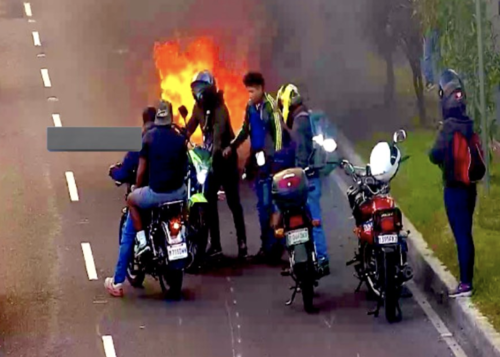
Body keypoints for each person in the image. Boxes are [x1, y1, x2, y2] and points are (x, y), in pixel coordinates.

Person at [104, 100, 188, 297]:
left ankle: (135, 252)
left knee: (132, 201)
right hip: (178, 193)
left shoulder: (148, 139)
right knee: (185, 205)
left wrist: (137, 187)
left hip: (156, 193)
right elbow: (185, 169)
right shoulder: (179, 139)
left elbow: (140, 172)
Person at [223, 71, 294, 263]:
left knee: (274, 205)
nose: (249, 95)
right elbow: (245, 129)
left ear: (261, 89)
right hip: (260, 163)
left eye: (252, 91)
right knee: (263, 206)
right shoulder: (250, 107)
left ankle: (278, 246)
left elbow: (278, 132)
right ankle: (266, 247)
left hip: (275, 163)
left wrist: (278, 159)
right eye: (247, 92)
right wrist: (232, 145)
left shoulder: (270, 106)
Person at [429, 69, 486, 298]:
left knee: (461, 234)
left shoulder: (448, 127)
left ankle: (465, 283)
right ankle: (467, 278)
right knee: (467, 232)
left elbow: (434, 155)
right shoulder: (468, 123)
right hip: (470, 187)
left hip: (454, 188)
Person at [185, 70, 248, 260]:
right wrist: (179, 137)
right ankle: (216, 245)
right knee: (209, 203)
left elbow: (219, 138)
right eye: (195, 89)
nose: (198, 93)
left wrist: (213, 158)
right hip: (208, 162)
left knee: (233, 203)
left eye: (201, 89)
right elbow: (189, 128)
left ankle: (242, 243)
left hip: (225, 161)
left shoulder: (221, 109)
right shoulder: (198, 108)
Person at [276, 83, 330, 277]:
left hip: (304, 178)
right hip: (314, 176)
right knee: (314, 220)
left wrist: (294, 171)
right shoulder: (306, 116)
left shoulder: (299, 121)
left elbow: (300, 150)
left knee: (296, 218)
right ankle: (321, 259)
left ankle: (308, 258)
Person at [109, 107, 156, 185]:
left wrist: (114, 171)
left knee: (131, 196)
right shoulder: (172, 137)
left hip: (151, 190)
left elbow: (124, 173)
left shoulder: (142, 141)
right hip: (175, 190)